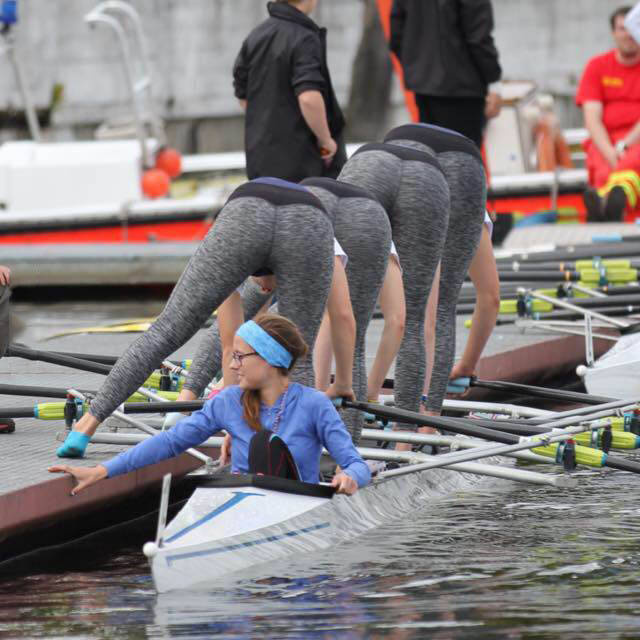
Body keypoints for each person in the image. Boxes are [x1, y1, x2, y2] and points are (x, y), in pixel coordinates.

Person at [55, 177, 334, 458]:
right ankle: (296, 459)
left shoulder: (235, 255)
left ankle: (85, 426)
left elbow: (230, 346)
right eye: (261, 285)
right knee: (298, 355)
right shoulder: (312, 240)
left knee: (166, 330)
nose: (263, 291)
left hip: (247, 212)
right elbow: (232, 347)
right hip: (308, 222)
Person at [49, 314, 370, 495]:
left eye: (240, 356)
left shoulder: (314, 405)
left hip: (299, 503)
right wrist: (102, 470)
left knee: (265, 445)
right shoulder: (229, 402)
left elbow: (356, 463)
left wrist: (349, 477)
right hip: (239, 498)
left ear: (271, 360)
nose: (232, 366)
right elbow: (170, 442)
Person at [338, 136, 450, 421]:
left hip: (368, 165)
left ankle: (326, 421)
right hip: (431, 178)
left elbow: (332, 320)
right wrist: (373, 393)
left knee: (343, 318)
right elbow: (406, 321)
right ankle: (415, 431)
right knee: (420, 318)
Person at [383, 124, 486, 424]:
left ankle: (385, 414)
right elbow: (490, 296)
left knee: (411, 309)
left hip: (397, 148)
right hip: (464, 161)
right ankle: (428, 424)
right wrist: (466, 366)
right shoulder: (471, 205)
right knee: (442, 306)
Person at [302, 177, 391, 443]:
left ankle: (305, 435)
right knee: (356, 338)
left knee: (302, 329)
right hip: (367, 211)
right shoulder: (377, 225)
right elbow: (399, 321)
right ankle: (410, 438)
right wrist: (367, 395)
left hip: (310, 196)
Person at [233, 0, 346, 182]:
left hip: (261, 161)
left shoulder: (255, 36)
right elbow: (308, 97)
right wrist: (326, 140)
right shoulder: (304, 37)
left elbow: (244, 96)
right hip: (304, 163)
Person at [389, 0, 502, 148]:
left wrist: (416, 66)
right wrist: (493, 80)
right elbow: (478, 37)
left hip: (424, 86)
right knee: (463, 160)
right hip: (462, 89)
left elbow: (397, 33)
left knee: (431, 157)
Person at [577, 6, 640, 221]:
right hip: (605, 141)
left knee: (633, 162)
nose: (629, 34)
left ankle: (608, 206)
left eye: (633, 28)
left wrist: (625, 145)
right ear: (613, 33)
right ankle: (608, 205)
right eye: (622, 28)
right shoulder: (597, 66)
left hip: (636, 140)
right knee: (603, 166)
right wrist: (610, 151)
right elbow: (592, 118)